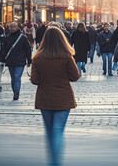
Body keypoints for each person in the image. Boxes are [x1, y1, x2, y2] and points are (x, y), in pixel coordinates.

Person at [30, 27, 80, 165]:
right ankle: (55, 162)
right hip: (63, 98)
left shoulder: (38, 58)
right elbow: (75, 76)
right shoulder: (66, 56)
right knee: (58, 131)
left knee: (49, 132)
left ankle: (52, 159)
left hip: (45, 98)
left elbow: (34, 80)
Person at [3, 22, 32, 100]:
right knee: (15, 77)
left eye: (13, 27)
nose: (12, 28)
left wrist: (29, 60)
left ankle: (16, 92)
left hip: (16, 61)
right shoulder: (21, 37)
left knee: (15, 77)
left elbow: (27, 50)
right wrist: (29, 60)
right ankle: (15, 92)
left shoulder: (20, 37)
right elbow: (28, 50)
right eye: (11, 27)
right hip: (17, 60)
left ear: (17, 28)